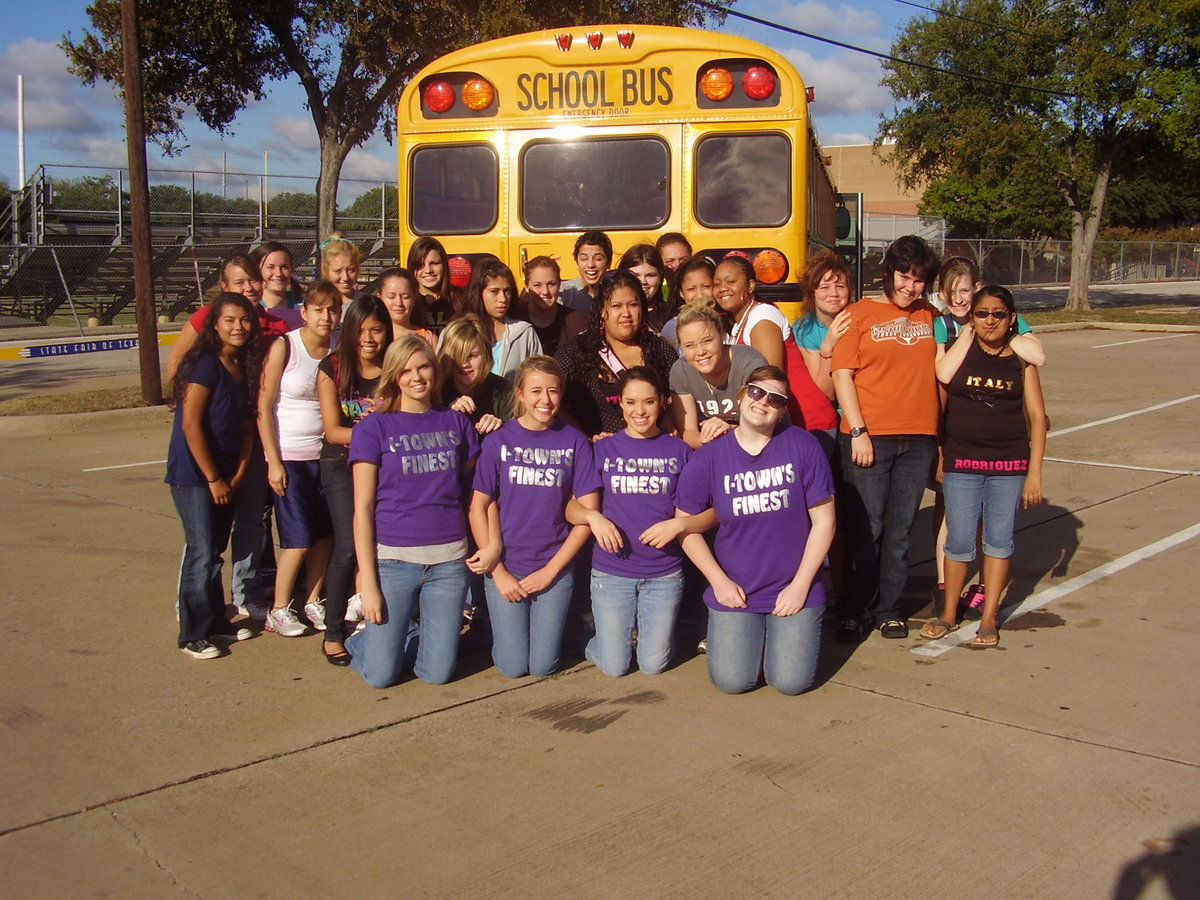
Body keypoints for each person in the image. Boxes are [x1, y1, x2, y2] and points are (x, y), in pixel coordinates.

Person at [675, 365, 836, 694]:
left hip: (793, 587)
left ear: (782, 411)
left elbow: (824, 522)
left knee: (791, 682)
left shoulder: (803, 446)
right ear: (741, 395)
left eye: (775, 399)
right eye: (757, 391)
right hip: (737, 589)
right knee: (732, 682)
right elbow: (685, 527)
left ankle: (782, 637)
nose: (763, 401)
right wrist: (719, 582)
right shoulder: (710, 457)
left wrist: (801, 585)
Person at [344, 336, 482, 687]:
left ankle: (407, 636)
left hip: (448, 562)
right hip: (393, 562)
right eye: (405, 370)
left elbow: (475, 490)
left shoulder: (456, 423)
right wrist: (368, 586)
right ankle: (362, 641)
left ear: (435, 371)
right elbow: (362, 509)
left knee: (437, 674)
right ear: (393, 376)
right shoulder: (373, 428)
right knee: (380, 676)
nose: (416, 377)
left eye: (423, 367)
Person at [921, 285, 1046, 648]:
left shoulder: (1021, 360)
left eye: (998, 314)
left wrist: (1034, 473)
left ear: (1011, 319)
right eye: (982, 313)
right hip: (962, 463)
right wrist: (942, 456)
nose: (990, 320)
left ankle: (989, 617)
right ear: (971, 319)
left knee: (998, 540)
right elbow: (940, 411)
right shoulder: (959, 355)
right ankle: (947, 612)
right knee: (958, 541)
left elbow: (1037, 418)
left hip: (1009, 466)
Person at [166, 255, 290, 620]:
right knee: (203, 544)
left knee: (250, 522)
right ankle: (192, 610)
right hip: (205, 456)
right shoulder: (208, 326)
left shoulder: (269, 327)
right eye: (240, 282)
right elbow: (178, 373)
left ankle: (244, 596)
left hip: (246, 443)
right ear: (224, 289)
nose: (249, 288)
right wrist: (191, 412)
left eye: (253, 280)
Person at [831, 235, 941, 642]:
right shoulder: (857, 315)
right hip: (869, 438)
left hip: (919, 439)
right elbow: (842, 375)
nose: (910, 287)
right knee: (867, 529)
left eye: (919, 280)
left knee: (900, 531)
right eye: (904, 276)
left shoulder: (931, 315)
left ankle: (888, 608)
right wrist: (858, 431)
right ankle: (855, 609)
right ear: (887, 273)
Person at [468, 356, 602, 678]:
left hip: (553, 568)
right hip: (507, 566)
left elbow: (588, 515)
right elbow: (478, 507)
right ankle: (493, 626)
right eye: (536, 391)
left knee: (543, 666)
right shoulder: (498, 442)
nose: (545, 400)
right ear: (520, 394)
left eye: (553, 391)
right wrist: (497, 571)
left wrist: (551, 572)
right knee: (514, 667)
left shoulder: (574, 442)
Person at [567, 367, 696, 676]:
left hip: (663, 575)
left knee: (653, 665)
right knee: (615, 666)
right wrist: (592, 517)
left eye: (649, 402)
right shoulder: (601, 449)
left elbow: (710, 512)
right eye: (632, 402)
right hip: (612, 573)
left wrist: (678, 525)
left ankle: (658, 637)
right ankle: (592, 633)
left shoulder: (681, 452)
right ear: (620, 404)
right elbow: (570, 508)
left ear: (663, 402)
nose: (640, 411)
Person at [166, 293, 263, 658]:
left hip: (224, 476)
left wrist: (235, 475)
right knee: (202, 550)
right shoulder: (204, 365)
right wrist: (212, 478)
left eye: (245, 320)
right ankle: (192, 633)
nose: (238, 327)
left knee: (215, 552)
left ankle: (216, 622)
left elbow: (243, 430)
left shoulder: (243, 366)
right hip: (193, 476)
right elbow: (191, 426)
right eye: (230, 320)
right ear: (215, 325)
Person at [258, 280, 342, 637]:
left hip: (325, 456)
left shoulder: (339, 348)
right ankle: (278, 609)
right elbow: (262, 406)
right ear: (304, 312)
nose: (326, 316)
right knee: (298, 537)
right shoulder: (285, 347)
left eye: (333, 309)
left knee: (324, 534)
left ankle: (312, 600)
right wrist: (273, 461)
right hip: (290, 456)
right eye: (319, 309)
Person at [315, 294, 392, 665]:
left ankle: (380, 618)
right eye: (360, 330)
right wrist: (377, 434)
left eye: (377, 330)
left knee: (384, 542)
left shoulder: (396, 366)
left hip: (387, 465)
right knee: (347, 543)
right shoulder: (332, 367)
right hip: (341, 464)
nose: (368, 338)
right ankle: (333, 632)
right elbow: (332, 430)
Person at [714, 254, 836, 439]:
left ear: (750, 286)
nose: (723, 288)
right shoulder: (740, 323)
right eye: (717, 284)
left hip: (808, 425)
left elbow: (769, 382)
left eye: (731, 281)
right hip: (782, 425)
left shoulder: (762, 316)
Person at [554, 270, 679, 439]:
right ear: (602, 310)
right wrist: (583, 439)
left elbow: (679, 397)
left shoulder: (660, 350)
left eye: (633, 305)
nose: (626, 313)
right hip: (596, 454)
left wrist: (668, 421)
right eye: (616, 306)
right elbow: (554, 403)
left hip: (650, 453)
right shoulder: (577, 351)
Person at [670, 303, 766, 449]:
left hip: (761, 443)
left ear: (721, 336)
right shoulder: (681, 371)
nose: (700, 351)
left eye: (707, 341)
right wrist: (714, 443)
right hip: (712, 448)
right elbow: (689, 433)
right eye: (690, 345)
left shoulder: (751, 364)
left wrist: (730, 431)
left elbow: (765, 424)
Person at [792, 248, 855, 433]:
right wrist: (828, 346)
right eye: (825, 287)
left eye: (840, 286)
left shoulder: (859, 319)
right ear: (812, 293)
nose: (833, 293)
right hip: (832, 415)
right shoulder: (805, 329)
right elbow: (825, 392)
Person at [456, 256, 542, 381]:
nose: (503, 299)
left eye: (507, 291)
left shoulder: (524, 333)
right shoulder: (456, 331)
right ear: (479, 293)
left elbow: (538, 377)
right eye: (494, 291)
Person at [438, 314, 516, 436]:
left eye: (471, 356)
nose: (464, 364)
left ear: (486, 354)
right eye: (457, 356)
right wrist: (447, 414)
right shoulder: (438, 392)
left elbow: (519, 439)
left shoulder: (505, 391)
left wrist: (502, 427)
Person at [513, 255, 588, 356]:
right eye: (537, 285)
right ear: (526, 287)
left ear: (560, 284)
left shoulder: (576, 321)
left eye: (551, 284)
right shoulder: (514, 319)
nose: (545, 291)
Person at [659, 255, 716, 346]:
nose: (700, 295)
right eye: (691, 289)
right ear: (681, 293)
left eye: (706, 286)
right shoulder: (672, 328)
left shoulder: (728, 323)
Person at [372, 266, 435, 345]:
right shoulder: (372, 338)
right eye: (391, 297)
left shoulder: (428, 339)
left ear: (414, 298)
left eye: (405, 297)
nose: (399, 303)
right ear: (380, 298)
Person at [407, 236, 456, 332]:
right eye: (420, 265)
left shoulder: (461, 300)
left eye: (434, 263)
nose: (428, 270)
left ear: (444, 265)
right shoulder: (406, 301)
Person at [253, 241, 304, 330]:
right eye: (270, 267)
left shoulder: (304, 304)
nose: (278, 274)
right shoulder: (252, 307)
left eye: (284, 267)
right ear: (257, 269)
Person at [559, 230, 612, 314]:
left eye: (598, 259)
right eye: (584, 259)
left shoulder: (617, 292)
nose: (591, 265)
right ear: (577, 262)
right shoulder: (564, 293)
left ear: (608, 262)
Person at [617, 243, 667, 331]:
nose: (643, 282)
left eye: (650, 275)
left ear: (660, 278)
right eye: (635, 275)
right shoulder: (610, 315)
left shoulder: (671, 318)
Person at [320, 233, 362, 302]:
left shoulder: (365, 305)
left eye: (350, 270)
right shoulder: (317, 304)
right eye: (338, 271)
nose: (345, 277)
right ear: (325, 270)